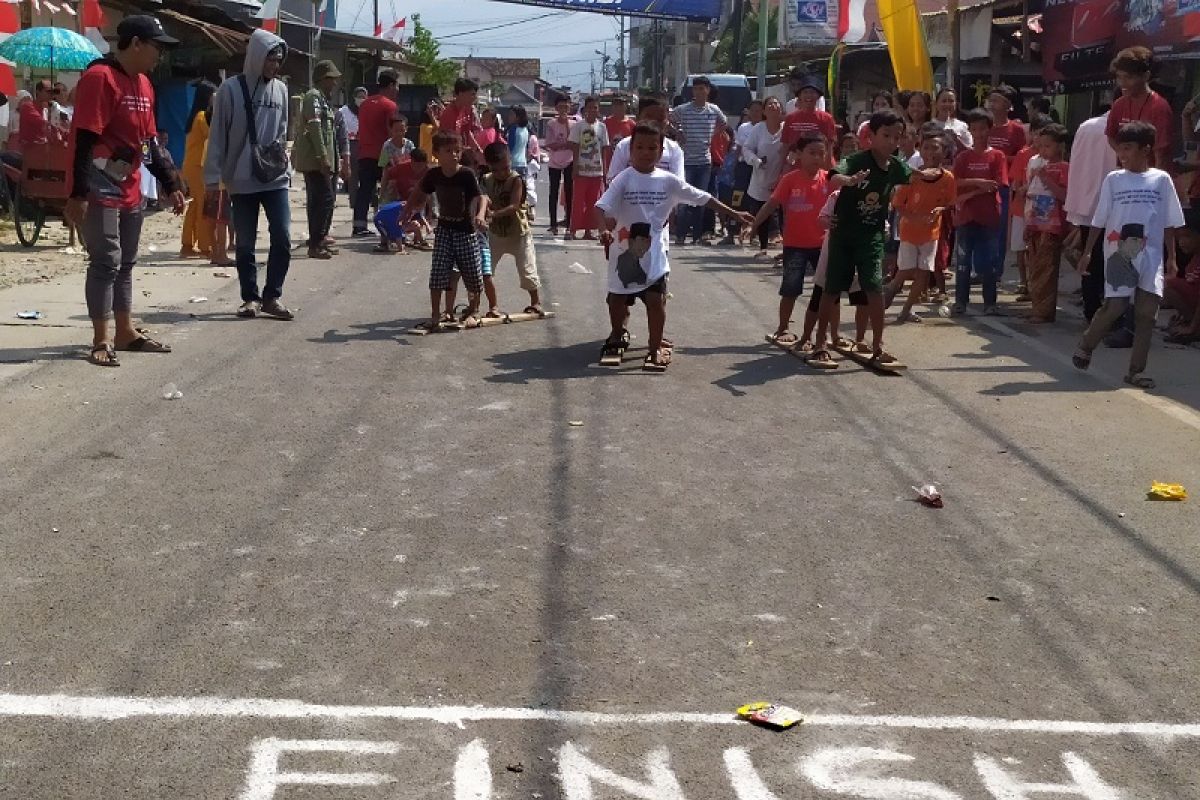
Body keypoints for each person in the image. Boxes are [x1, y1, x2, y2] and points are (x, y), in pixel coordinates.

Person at [65, 15, 186, 367]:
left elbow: (147, 144)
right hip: (99, 184)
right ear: (135, 43)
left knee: (127, 263)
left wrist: (169, 182)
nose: (159, 55)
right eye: (156, 47)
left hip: (130, 184)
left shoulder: (145, 84)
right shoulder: (100, 78)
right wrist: (77, 194)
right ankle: (100, 340)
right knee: (106, 261)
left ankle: (125, 331)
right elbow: (85, 139)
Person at [596, 122, 753, 370]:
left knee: (655, 300)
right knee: (616, 300)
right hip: (623, 252)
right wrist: (604, 229)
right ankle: (617, 335)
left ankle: (655, 346)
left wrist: (734, 214)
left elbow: (703, 197)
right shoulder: (623, 179)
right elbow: (601, 207)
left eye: (652, 147)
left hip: (655, 254)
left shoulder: (669, 181)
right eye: (640, 147)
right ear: (630, 150)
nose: (646, 152)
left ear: (661, 151)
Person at [1073, 121, 1184, 390]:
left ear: (1145, 149)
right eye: (1120, 148)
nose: (1122, 154)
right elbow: (1099, 220)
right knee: (1117, 306)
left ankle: (1136, 371)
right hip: (1124, 249)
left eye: (1128, 148)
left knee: (1147, 314)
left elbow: (1169, 220)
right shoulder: (1115, 179)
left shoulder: (1161, 179)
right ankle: (1087, 344)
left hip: (1152, 251)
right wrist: (1087, 252)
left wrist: (1171, 257)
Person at [204, 29, 294, 320]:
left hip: (275, 178)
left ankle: (272, 296)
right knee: (245, 243)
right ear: (256, 57)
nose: (275, 65)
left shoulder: (281, 90)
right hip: (241, 178)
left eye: (279, 60)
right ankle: (250, 298)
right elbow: (217, 135)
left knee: (282, 236)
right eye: (270, 59)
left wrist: (286, 167)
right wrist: (212, 179)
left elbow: (282, 132)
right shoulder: (230, 90)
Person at [818, 109, 912, 366]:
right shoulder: (858, 160)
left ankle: (878, 344)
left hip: (871, 238)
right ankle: (819, 343)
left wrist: (930, 177)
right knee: (832, 289)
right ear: (871, 136)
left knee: (874, 287)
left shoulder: (895, 166)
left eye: (897, 137)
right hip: (844, 236)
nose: (892, 141)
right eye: (886, 135)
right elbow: (833, 176)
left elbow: (915, 178)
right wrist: (848, 181)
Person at [749, 136, 845, 345]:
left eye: (821, 153)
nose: (817, 157)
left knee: (831, 291)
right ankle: (782, 327)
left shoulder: (829, 180)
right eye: (812, 152)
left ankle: (835, 334)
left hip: (823, 245)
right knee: (791, 288)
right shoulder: (790, 179)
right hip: (795, 245)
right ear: (799, 154)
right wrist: (755, 224)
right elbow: (771, 204)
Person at [402, 132, 487, 329]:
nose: (454, 155)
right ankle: (435, 314)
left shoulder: (466, 174)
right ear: (437, 153)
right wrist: (406, 211)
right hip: (445, 230)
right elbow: (419, 191)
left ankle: (474, 311)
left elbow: (480, 197)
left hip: (466, 231)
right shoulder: (434, 174)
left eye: (457, 151)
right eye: (448, 151)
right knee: (438, 273)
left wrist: (480, 215)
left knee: (472, 273)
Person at [885, 131, 956, 323]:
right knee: (906, 270)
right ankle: (890, 289)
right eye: (926, 147)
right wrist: (913, 217)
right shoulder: (912, 176)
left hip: (931, 233)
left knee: (924, 273)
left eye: (936, 147)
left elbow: (949, 202)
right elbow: (898, 204)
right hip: (909, 231)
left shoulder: (948, 178)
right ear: (920, 149)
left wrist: (939, 210)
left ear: (944, 152)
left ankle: (906, 310)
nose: (931, 151)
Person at [952, 108, 1008, 315]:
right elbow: (954, 182)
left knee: (989, 263)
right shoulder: (963, 156)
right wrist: (979, 184)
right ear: (970, 130)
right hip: (966, 216)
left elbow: (997, 184)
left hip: (990, 216)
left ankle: (990, 303)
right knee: (963, 263)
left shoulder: (997, 156)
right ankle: (960, 301)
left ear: (989, 130)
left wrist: (970, 192)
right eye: (974, 129)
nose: (979, 133)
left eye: (982, 128)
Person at [1063, 106, 1116, 323]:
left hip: (1088, 203)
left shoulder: (1086, 127)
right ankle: (1107, 309)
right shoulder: (1121, 128)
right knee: (1112, 258)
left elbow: (1077, 166)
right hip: (1114, 202)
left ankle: (1091, 307)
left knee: (1091, 256)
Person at [482, 141, 542, 315]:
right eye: (496, 170)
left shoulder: (516, 180)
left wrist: (493, 214)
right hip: (495, 233)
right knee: (485, 270)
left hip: (518, 233)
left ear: (510, 161)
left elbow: (514, 206)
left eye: (505, 168)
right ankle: (491, 306)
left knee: (527, 269)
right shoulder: (486, 180)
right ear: (489, 166)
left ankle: (536, 302)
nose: (501, 173)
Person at [293, 59, 341, 260]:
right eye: (332, 79)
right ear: (323, 78)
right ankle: (316, 243)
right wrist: (323, 157)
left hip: (324, 161)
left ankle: (318, 241)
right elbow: (314, 129)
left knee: (320, 202)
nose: (334, 84)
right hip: (315, 162)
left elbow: (329, 134)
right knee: (324, 201)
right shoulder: (313, 98)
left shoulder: (322, 99)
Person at [1022, 122, 1070, 323]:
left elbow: (1064, 196)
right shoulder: (1037, 165)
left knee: (1047, 267)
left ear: (1060, 146)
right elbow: (1030, 196)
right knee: (1034, 265)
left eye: (1047, 146)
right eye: (1040, 146)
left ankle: (1044, 310)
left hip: (1052, 224)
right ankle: (1037, 305)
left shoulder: (1064, 168)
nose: (1043, 151)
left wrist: (1046, 179)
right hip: (1035, 222)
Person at [671, 76, 726, 246]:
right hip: (686, 160)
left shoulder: (713, 110)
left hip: (704, 162)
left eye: (702, 88)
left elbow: (724, 124)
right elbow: (668, 120)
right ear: (693, 91)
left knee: (700, 199)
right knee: (684, 199)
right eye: (696, 89)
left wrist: (712, 135)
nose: (699, 92)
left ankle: (696, 236)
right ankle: (680, 235)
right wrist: (677, 133)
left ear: (708, 90)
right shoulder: (684, 109)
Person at [1106, 47, 1174, 169]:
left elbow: (1161, 156)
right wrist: (1125, 155)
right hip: (1124, 175)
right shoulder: (1118, 105)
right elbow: (1111, 137)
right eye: (1119, 77)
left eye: (1128, 77)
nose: (1122, 83)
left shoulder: (1159, 107)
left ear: (1146, 76)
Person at [1007, 113, 1050, 301]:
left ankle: (1036, 285)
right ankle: (1024, 283)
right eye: (1037, 133)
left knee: (1037, 248)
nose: (1039, 138)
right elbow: (1015, 183)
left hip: (1043, 210)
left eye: (1044, 134)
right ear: (1031, 133)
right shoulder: (1024, 154)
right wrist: (1025, 188)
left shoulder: (1054, 156)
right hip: (1021, 208)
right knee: (1020, 247)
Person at [351, 71, 398, 237]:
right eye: (396, 85)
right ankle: (388, 222)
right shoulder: (390, 106)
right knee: (389, 189)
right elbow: (392, 131)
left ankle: (359, 225)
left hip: (364, 152)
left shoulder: (364, 105)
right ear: (391, 85)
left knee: (364, 189)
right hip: (383, 154)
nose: (396, 89)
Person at [740, 96, 785, 257]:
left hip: (782, 176)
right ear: (765, 111)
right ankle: (763, 247)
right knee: (762, 211)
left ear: (781, 109)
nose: (773, 106)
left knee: (783, 213)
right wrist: (756, 161)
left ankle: (786, 249)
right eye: (769, 104)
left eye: (776, 103)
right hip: (761, 176)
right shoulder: (758, 129)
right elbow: (747, 149)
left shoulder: (786, 128)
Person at [606, 94, 684, 180]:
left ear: (667, 121)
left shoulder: (674, 150)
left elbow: (679, 183)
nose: (654, 123)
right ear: (638, 118)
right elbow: (613, 179)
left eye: (660, 119)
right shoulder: (624, 146)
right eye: (649, 117)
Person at [180, 80, 217, 259]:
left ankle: (187, 243)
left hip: (192, 165)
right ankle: (205, 245)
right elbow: (212, 134)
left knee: (195, 204)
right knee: (203, 205)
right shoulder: (202, 116)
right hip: (197, 166)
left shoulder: (194, 115)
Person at [567, 96, 609, 240]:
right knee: (578, 202)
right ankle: (572, 230)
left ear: (598, 110)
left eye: (595, 108)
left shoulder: (602, 127)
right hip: (581, 170)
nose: (593, 110)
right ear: (585, 110)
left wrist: (604, 170)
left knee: (594, 203)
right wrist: (575, 167)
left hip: (596, 171)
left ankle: (588, 230)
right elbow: (575, 147)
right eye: (590, 107)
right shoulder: (579, 126)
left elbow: (604, 149)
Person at [372, 114, 414, 253]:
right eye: (396, 130)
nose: (399, 133)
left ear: (406, 129)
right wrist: (382, 191)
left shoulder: (409, 145)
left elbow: (415, 165)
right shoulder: (387, 146)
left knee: (404, 211)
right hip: (391, 183)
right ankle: (384, 241)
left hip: (406, 183)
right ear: (391, 130)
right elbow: (384, 168)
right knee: (385, 211)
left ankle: (401, 237)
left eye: (402, 130)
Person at [780, 75, 836, 169]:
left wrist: (828, 169)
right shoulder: (790, 118)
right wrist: (783, 166)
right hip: (796, 167)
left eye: (812, 92)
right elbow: (785, 145)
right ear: (800, 96)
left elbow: (829, 146)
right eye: (805, 92)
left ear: (818, 96)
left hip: (819, 167)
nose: (809, 95)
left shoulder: (826, 118)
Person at [379, 148, 430, 251]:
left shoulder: (428, 171)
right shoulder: (401, 167)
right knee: (391, 187)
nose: (419, 169)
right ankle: (385, 240)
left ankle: (418, 239)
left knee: (421, 208)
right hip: (399, 197)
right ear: (411, 161)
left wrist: (429, 212)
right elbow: (387, 174)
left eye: (422, 165)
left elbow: (428, 193)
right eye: (416, 165)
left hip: (417, 199)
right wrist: (382, 193)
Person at [1164, 221, 1200, 343]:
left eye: (1187, 236)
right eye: (1179, 238)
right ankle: (1187, 321)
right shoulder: (1193, 259)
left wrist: (1192, 327)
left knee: (1168, 284)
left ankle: (1195, 327)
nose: (1182, 242)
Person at [544, 97, 574, 236]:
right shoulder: (551, 123)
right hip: (554, 162)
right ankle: (553, 224)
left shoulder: (574, 123)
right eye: (561, 107)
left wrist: (567, 123)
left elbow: (573, 142)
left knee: (570, 192)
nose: (563, 110)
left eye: (566, 107)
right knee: (553, 192)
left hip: (570, 160)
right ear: (556, 108)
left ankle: (569, 224)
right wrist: (563, 145)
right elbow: (550, 144)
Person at [339, 86, 366, 196]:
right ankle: (353, 200)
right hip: (350, 144)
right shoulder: (344, 111)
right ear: (354, 97)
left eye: (364, 97)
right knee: (353, 175)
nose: (361, 99)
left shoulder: (368, 110)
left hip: (364, 145)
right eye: (359, 97)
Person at [933, 88, 971, 155]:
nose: (947, 104)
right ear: (936, 104)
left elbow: (970, 150)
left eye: (951, 101)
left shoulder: (962, 125)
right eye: (944, 101)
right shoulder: (929, 125)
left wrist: (956, 139)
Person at [604, 95, 636, 165]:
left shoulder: (632, 124)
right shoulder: (606, 123)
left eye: (621, 105)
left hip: (626, 163)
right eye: (616, 105)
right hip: (609, 162)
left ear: (625, 106)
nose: (618, 108)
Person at [505, 105, 530, 180]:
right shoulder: (525, 130)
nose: (509, 117)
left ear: (518, 117)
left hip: (513, 163)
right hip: (523, 163)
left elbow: (510, 148)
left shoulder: (513, 129)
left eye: (511, 115)